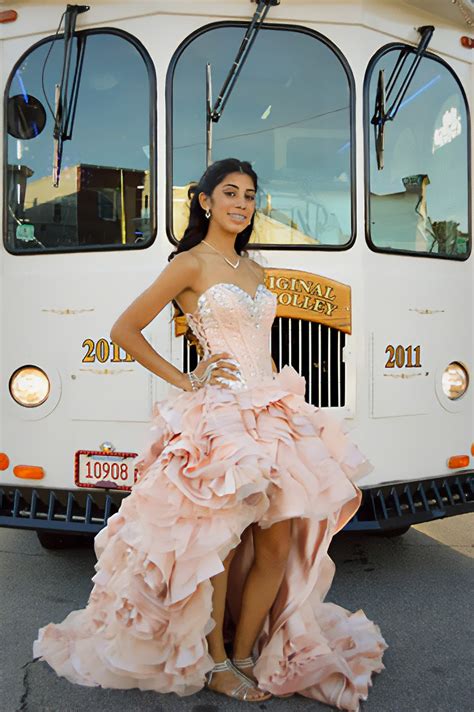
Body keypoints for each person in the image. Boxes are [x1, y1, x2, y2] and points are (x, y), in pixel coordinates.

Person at [33, 158, 387, 708]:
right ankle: (216, 662)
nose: (242, 204)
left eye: (249, 195)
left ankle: (245, 653)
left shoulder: (254, 270)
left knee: (276, 539)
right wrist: (186, 378)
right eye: (230, 193)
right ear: (204, 201)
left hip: (271, 409)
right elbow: (124, 329)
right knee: (217, 546)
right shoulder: (189, 265)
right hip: (220, 415)